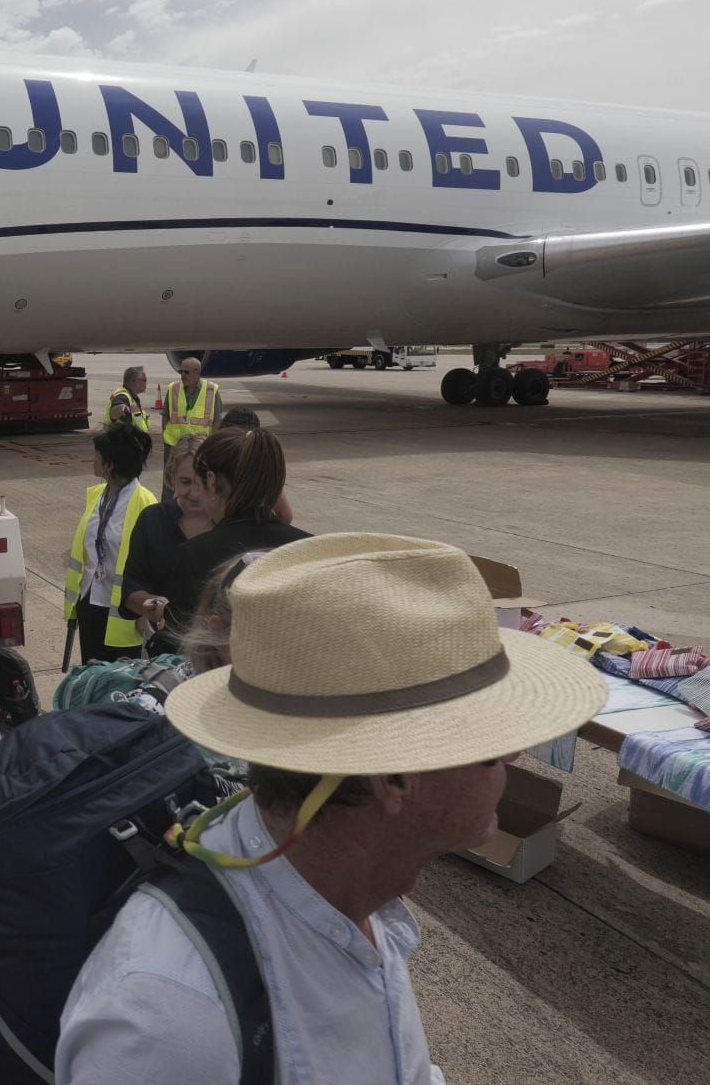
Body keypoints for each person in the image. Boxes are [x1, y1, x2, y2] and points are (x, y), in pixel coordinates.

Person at [57, 532, 608, 1083]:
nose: (512, 750)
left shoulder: (358, 896)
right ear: (393, 778)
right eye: (486, 741)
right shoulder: (169, 1023)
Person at [160, 428, 309, 641]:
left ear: (211, 481)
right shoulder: (305, 547)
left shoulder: (194, 556)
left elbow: (181, 645)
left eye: (199, 483)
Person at [63, 421, 157, 664]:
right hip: (90, 603)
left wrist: (146, 612)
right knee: (92, 677)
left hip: (123, 614)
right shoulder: (96, 495)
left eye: (96, 455)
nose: (92, 460)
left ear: (109, 465)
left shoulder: (146, 503)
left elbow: (156, 563)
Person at [120, 434, 210, 654]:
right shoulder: (152, 520)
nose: (195, 492)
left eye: (203, 482)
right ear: (171, 478)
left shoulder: (229, 522)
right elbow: (130, 592)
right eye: (186, 482)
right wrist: (152, 605)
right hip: (164, 650)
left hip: (214, 651)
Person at [161, 357, 221, 453]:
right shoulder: (173, 388)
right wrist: (165, 435)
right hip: (174, 445)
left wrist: (212, 444)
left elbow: (216, 420)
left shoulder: (211, 390)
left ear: (197, 372)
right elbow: (165, 415)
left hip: (201, 446)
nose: (182, 376)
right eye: (181, 372)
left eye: (186, 372)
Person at [108, 366, 151, 435]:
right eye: (145, 380)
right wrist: (121, 407)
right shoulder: (122, 396)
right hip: (123, 442)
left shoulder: (131, 397)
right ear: (136, 382)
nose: (146, 383)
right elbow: (114, 411)